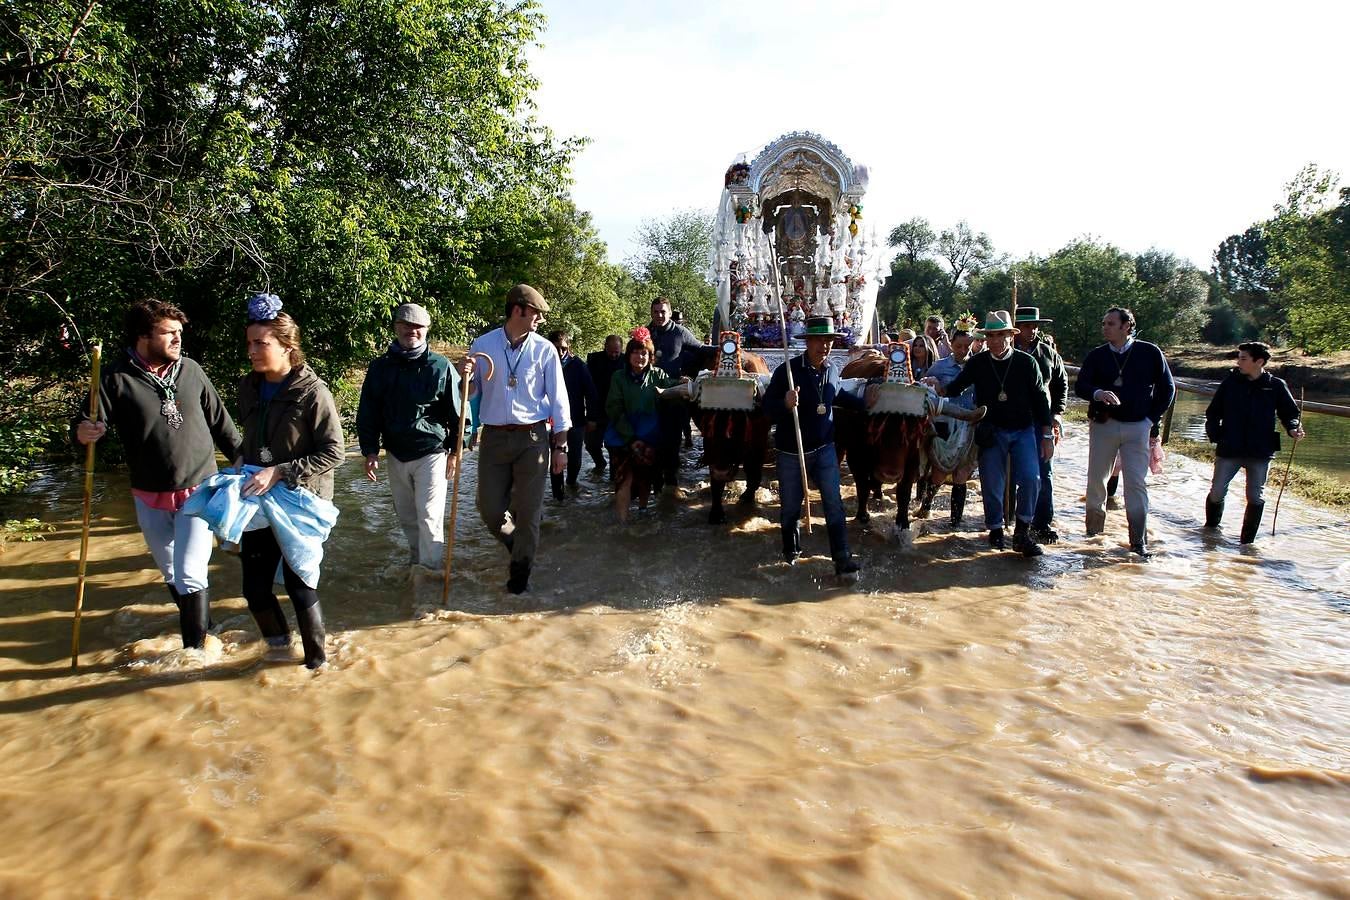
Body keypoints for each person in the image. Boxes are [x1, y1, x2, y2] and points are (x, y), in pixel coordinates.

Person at [73, 299, 242, 650]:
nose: (178, 339)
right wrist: (83, 433)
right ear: (142, 336)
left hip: (200, 488)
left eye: (180, 332)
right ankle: (206, 629)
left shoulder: (191, 370)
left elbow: (222, 423)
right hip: (148, 492)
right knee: (171, 572)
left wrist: (245, 463)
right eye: (169, 333)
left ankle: (195, 656)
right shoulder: (113, 377)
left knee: (190, 574)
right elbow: (87, 425)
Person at [237, 294, 344, 669]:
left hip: (300, 500)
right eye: (249, 342)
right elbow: (249, 442)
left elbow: (335, 453)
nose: (251, 350)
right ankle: (279, 648)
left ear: (286, 347)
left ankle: (317, 665)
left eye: (260, 343)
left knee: (300, 587)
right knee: (254, 589)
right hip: (257, 497)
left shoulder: (314, 393)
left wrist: (280, 471)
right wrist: (239, 466)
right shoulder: (248, 387)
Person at [463, 284, 570, 594]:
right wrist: (465, 376)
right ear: (518, 310)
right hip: (494, 437)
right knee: (489, 508)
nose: (539, 319)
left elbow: (559, 400)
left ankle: (520, 577)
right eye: (535, 313)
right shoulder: (483, 345)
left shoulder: (544, 350)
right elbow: (469, 395)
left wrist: (560, 446)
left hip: (533, 437)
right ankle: (515, 541)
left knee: (529, 510)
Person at [356, 303, 461, 576]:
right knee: (407, 517)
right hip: (395, 452)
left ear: (426, 330)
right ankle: (417, 566)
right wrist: (369, 451)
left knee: (428, 515)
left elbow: (460, 415)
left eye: (417, 326)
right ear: (396, 328)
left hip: (432, 451)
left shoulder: (441, 366)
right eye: (405, 325)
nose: (411, 331)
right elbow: (368, 411)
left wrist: (455, 451)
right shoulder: (379, 368)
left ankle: (431, 571)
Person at [942, 311, 1055, 556]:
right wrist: (934, 388)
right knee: (992, 483)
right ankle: (995, 531)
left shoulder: (1027, 363)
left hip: (1023, 429)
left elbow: (1040, 402)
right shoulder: (978, 363)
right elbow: (955, 387)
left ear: (1010, 336)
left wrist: (1047, 436)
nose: (995, 340)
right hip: (991, 430)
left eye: (1000, 335)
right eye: (990, 335)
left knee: (1031, 478)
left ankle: (1022, 532)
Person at [763, 316, 865, 576]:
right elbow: (767, 410)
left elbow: (838, 394)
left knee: (834, 502)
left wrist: (870, 401)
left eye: (829, 340)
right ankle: (791, 555)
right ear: (807, 342)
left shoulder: (832, 369)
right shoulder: (787, 371)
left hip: (825, 449)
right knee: (790, 508)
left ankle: (842, 558)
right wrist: (784, 404)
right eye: (818, 340)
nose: (824, 346)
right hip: (791, 452)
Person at [1075, 306, 1176, 556]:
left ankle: (1138, 542)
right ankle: (1093, 538)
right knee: (1096, 481)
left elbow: (1168, 389)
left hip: (1137, 427)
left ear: (1126, 326)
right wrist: (1098, 393)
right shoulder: (1097, 355)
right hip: (1103, 425)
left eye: (1110, 323)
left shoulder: (1149, 352)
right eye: (1104, 323)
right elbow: (1082, 385)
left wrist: (1150, 420)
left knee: (1136, 484)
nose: (1105, 327)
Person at [1203, 341, 1304, 544]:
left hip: (1260, 450)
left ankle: (1247, 543)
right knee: (1216, 492)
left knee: (1255, 497)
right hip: (1229, 447)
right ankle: (1210, 533)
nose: (1238, 362)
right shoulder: (1230, 383)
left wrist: (1293, 427)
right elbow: (1213, 412)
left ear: (1259, 361)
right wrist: (1216, 435)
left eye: (1243, 358)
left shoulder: (1275, 386)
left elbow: (1290, 413)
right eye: (1238, 358)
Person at [605, 328, 686, 523]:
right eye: (635, 352)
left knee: (645, 476)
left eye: (644, 353)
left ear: (650, 356)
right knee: (624, 479)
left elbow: (672, 386)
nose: (639, 357)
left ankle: (642, 509)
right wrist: (631, 438)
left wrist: (686, 383)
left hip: (650, 434)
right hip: (622, 434)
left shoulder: (658, 374)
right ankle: (623, 522)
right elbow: (614, 408)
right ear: (629, 354)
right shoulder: (618, 377)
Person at [1013, 307, 1068, 543]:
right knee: (1012, 474)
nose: (1032, 330)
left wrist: (1057, 413)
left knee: (1044, 473)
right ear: (1016, 329)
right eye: (1026, 326)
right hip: (1011, 419)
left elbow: (1061, 383)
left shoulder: (1048, 353)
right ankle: (1008, 521)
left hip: (1041, 421)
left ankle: (1042, 522)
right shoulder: (1005, 351)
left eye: (1035, 325)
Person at [647, 297, 704, 489]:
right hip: (649, 394)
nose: (659, 315)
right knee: (651, 436)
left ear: (670, 313)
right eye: (656, 312)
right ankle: (654, 477)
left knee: (672, 438)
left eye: (663, 311)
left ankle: (671, 478)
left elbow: (701, 349)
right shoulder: (645, 333)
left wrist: (727, 348)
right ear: (651, 313)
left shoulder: (680, 332)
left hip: (674, 394)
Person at [923, 326, 978, 525]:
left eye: (967, 346)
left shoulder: (978, 364)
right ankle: (925, 507)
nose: (963, 350)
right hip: (946, 423)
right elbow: (926, 388)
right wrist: (932, 383)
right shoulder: (939, 366)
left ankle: (955, 523)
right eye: (959, 346)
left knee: (962, 474)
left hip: (970, 423)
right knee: (939, 473)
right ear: (951, 345)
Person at [548, 329, 598, 500]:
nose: (560, 352)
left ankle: (571, 483)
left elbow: (591, 393)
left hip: (576, 420)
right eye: (556, 348)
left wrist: (592, 418)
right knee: (555, 458)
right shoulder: (543, 363)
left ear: (568, 347)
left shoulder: (578, 365)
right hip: (551, 422)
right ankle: (558, 496)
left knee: (575, 458)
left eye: (563, 348)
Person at [585, 334, 625, 478]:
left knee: (614, 448)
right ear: (605, 347)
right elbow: (587, 390)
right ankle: (600, 464)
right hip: (597, 409)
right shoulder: (594, 360)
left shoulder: (627, 361)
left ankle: (613, 483)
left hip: (617, 412)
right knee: (591, 444)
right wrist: (591, 417)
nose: (614, 355)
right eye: (611, 351)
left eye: (617, 352)